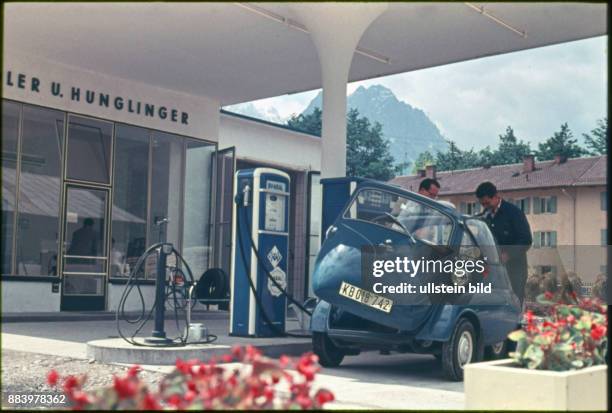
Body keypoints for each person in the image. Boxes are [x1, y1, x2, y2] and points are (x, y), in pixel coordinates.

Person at [475, 181, 532, 304]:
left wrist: (508, 254)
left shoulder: (514, 213)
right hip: (493, 271)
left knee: (514, 302)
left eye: (487, 203)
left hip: (514, 270)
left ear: (496, 197)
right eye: (482, 204)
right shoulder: (484, 216)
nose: (485, 206)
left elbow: (526, 240)